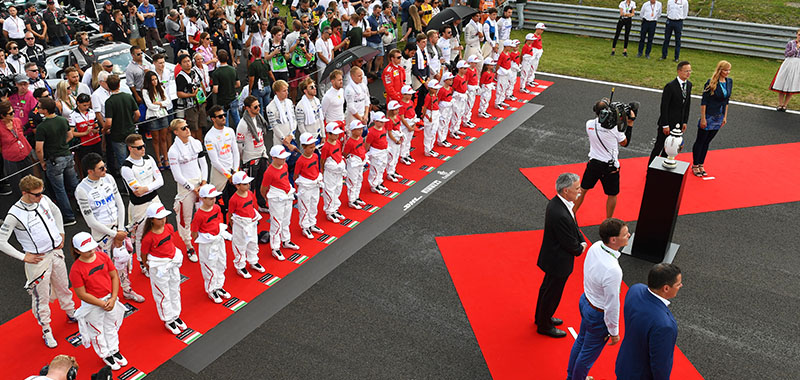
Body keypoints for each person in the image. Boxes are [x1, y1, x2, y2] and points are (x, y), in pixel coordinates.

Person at [0, 175, 76, 348]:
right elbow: (1, 240)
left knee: (63, 286)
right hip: (37, 261)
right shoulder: (14, 214)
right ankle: (46, 330)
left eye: (41, 193)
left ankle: (71, 312)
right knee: (41, 298)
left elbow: (56, 211)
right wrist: (23, 257)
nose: (40, 197)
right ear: (25, 193)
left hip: (56, 253)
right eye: (36, 194)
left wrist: (61, 232)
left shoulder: (43, 199)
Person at [566, 218, 630, 380]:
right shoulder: (613, 270)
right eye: (625, 234)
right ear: (613, 240)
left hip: (586, 301)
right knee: (587, 355)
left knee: (581, 342)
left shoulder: (595, 246)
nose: (629, 235)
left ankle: (571, 376)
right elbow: (612, 304)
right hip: (597, 315)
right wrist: (614, 332)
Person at [535, 172, 587, 338]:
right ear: (566, 190)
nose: (579, 191)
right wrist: (581, 247)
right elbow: (570, 244)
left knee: (547, 290)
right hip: (558, 261)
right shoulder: (560, 213)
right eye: (577, 188)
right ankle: (544, 325)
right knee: (552, 294)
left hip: (553, 258)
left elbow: (573, 225)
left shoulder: (560, 204)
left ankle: (542, 317)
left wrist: (580, 239)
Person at [69, 232, 128, 371]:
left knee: (111, 326)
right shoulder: (76, 269)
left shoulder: (102, 256)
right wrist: (101, 303)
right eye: (87, 250)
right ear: (77, 251)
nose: (91, 251)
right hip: (93, 305)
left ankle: (114, 350)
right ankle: (105, 354)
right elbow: (81, 294)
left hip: (109, 299)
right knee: (96, 331)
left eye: (92, 248)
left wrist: (113, 298)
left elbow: (114, 276)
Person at [615, 263, 683, 380]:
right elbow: (660, 365)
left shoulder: (635, 290)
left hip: (624, 365)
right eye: (678, 284)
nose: (681, 286)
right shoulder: (664, 326)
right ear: (666, 288)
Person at [572, 100, 634, 219]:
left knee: (583, 190)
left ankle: (572, 213)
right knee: (612, 195)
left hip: (593, 164)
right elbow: (624, 143)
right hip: (610, 168)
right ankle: (608, 220)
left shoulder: (589, 124)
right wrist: (629, 124)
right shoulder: (615, 128)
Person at [141, 202, 188, 335]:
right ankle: (168, 320)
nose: (163, 220)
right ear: (152, 220)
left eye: (164, 217)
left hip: (172, 263)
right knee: (163, 294)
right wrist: (148, 267)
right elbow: (143, 255)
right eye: (159, 218)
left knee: (175, 289)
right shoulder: (148, 238)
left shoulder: (169, 227)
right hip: (159, 268)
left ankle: (176, 315)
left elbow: (170, 243)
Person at [121, 134, 165, 275]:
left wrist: (146, 188)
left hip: (155, 199)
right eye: (139, 147)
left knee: (161, 225)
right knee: (140, 235)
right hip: (139, 206)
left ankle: (159, 252)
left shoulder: (149, 158)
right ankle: (142, 263)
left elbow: (161, 181)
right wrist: (151, 185)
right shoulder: (126, 168)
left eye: (143, 146)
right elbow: (137, 192)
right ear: (130, 148)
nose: (143, 149)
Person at [35, 97, 79, 225]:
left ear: (45, 110)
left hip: (54, 160)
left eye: (39, 107)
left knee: (60, 189)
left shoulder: (42, 127)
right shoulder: (62, 120)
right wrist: (61, 144)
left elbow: (39, 149)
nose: (38, 108)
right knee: (74, 184)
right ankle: (83, 208)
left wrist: (42, 161)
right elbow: (70, 135)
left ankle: (68, 216)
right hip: (67, 155)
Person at [167, 118, 205, 263]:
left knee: (204, 212)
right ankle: (189, 246)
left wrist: (204, 181)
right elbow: (177, 175)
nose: (187, 129)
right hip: (186, 188)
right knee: (185, 218)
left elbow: (203, 163)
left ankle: (204, 237)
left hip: (200, 184)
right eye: (183, 128)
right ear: (176, 132)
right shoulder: (173, 151)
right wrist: (192, 188)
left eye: (187, 126)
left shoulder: (196, 143)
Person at [75, 152, 126, 257]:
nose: (105, 170)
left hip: (118, 228)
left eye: (105, 166)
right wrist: (115, 234)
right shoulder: (81, 190)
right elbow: (91, 222)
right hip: (102, 235)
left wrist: (120, 229)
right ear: (90, 171)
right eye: (101, 168)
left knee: (123, 263)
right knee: (106, 268)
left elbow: (120, 204)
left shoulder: (109, 178)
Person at [191, 184, 231, 304]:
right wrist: (204, 240)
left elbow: (219, 222)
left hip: (218, 239)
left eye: (214, 197)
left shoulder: (217, 208)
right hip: (207, 244)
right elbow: (194, 232)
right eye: (210, 198)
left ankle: (219, 286)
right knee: (209, 266)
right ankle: (211, 289)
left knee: (221, 263)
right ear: (202, 199)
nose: (213, 200)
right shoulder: (198, 215)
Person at [692, 60, 731, 177]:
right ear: (720, 70)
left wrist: (725, 116)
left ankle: (701, 163)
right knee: (701, 140)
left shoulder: (729, 82)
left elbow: (727, 101)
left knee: (708, 141)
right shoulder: (711, 83)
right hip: (709, 116)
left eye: (729, 70)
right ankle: (695, 164)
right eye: (725, 70)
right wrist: (703, 118)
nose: (728, 72)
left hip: (719, 117)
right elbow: (704, 102)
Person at [261, 145, 300, 261]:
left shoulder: (285, 165)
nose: (283, 160)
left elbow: (286, 179)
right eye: (281, 158)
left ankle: (286, 241)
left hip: (287, 196)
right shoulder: (269, 172)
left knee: (286, 220)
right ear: (273, 158)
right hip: (276, 199)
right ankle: (275, 248)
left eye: (284, 157)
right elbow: (263, 189)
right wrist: (268, 200)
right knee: (276, 223)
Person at [650, 61, 692, 164]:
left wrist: (685, 121)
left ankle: (662, 166)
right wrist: (665, 124)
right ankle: (651, 167)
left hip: (678, 124)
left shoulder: (689, 85)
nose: (688, 73)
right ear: (679, 71)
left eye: (690, 71)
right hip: (668, 123)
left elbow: (687, 105)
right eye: (686, 71)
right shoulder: (670, 86)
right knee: (659, 146)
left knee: (670, 148)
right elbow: (664, 107)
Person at [227, 171, 265, 279]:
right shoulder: (233, 199)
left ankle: (253, 261)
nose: (248, 185)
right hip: (240, 225)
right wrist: (232, 225)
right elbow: (230, 213)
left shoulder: (250, 193)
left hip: (251, 222)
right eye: (245, 184)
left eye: (248, 183)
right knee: (240, 245)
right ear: (237, 186)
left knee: (253, 242)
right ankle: (240, 266)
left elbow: (253, 206)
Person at [205, 104, 240, 217]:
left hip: (232, 170)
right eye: (220, 116)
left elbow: (235, 151)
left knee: (236, 198)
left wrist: (235, 170)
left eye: (224, 115)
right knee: (218, 200)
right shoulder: (209, 137)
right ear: (213, 119)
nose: (223, 118)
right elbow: (214, 161)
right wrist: (229, 176)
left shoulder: (230, 131)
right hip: (219, 173)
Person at [104, 75, 140, 170]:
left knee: (122, 161)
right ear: (119, 84)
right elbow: (137, 114)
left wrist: (104, 130)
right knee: (136, 156)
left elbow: (108, 122)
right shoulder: (128, 96)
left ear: (108, 86)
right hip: (131, 131)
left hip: (117, 135)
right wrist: (131, 121)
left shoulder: (109, 102)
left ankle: (127, 179)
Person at [0, 101, 33, 200]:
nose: (13, 114)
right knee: (16, 183)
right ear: (2, 115)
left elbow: (21, 133)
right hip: (11, 159)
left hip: (25, 153)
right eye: (10, 113)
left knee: (30, 179)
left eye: (13, 111)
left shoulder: (17, 121)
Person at [294, 132, 324, 237]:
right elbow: (296, 175)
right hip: (305, 187)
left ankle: (312, 224)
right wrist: (298, 188)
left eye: (313, 146)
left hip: (315, 184)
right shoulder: (300, 161)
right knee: (304, 207)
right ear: (303, 147)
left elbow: (317, 168)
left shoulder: (315, 156)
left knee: (314, 204)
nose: (313, 148)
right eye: (310, 147)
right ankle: (305, 227)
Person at [142, 71, 171, 168]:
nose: (155, 82)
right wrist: (161, 105)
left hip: (163, 115)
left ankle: (166, 159)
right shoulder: (145, 91)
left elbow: (167, 101)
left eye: (156, 79)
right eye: (152, 80)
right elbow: (149, 105)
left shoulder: (161, 88)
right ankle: (158, 160)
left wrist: (159, 104)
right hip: (153, 116)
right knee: (156, 139)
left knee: (163, 138)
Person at [320, 122, 346, 221]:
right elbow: (322, 160)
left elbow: (339, 154)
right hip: (330, 173)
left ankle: (335, 209)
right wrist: (322, 172)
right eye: (335, 134)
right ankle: (329, 212)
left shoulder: (338, 142)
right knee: (330, 191)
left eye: (337, 133)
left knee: (338, 188)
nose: (337, 135)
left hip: (338, 171)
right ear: (329, 134)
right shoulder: (326, 147)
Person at [175, 54, 205, 140]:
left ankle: (200, 145)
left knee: (201, 125)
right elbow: (179, 93)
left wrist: (204, 98)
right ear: (180, 65)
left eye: (188, 61)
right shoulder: (180, 77)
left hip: (200, 102)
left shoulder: (195, 72)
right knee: (193, 127)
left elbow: (201, 84)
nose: (188, 63)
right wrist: (191, 95)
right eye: (185, 62)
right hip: (190, 106)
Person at [771, 29, 800, 111]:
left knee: (791, 85)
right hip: (788, 63)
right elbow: (786, 54)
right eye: (799, 34)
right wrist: (795, 49)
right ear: (796, 35)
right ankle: (780, 104)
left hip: (797, 65)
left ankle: (785, 105)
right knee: (782, 83)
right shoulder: (791, 43)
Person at [211, 50, 241, 128]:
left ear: (218, 58)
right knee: (236, 117)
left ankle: (227, 136)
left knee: (224, 120)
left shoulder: (216, 73)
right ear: (227, 58)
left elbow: (215, 89)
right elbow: (238, 84)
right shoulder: (233, 70)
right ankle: (241, 133)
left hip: (222, 100)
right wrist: (230, 85)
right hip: (233, 97)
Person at [343, 120, 367, 209]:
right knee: (352, 181)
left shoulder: (360, 138)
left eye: (361, 129)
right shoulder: (350, 142)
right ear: (353, 131)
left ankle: (356, 197)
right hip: (353, 165)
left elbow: (362, 148)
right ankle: (351, 200)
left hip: (361, 162)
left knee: (359, 179)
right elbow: (345, 153)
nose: (361, 131)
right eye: (358, 130)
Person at [365, 113, 390, 193]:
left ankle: (379, 182)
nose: (383, 123)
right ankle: (373, 185)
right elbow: (367, 144)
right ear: (375, 121)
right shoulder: (372, 132)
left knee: (382, 168)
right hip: (376, 152)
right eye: (381, 122)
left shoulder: (383, 128)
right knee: (375, 169)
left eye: (383, 122)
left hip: (383, 151)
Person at [421, 78, 441, 155]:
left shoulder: (434, 95)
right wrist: (424, 115)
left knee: (433, 132)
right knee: (428, 133)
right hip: (430, 114)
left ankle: (431, 147)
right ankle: (427, 149)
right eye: (435, 89)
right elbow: (425, 106)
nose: (436, 90)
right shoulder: (428, 96)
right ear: (431, 88)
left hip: (435, 113)